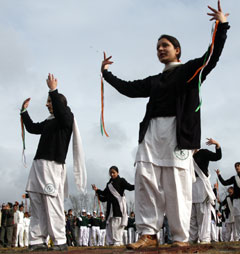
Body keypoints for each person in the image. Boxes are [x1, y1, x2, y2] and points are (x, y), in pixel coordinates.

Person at [101, 1, 230, 249]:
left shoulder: (190, 70)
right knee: (145, 179)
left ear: (177, 50)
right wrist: (106, 74)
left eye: (165, 45)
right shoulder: (155, 80)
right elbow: (129, 88)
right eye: (158, 46)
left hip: (177, 133)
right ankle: (148, 234)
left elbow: (211, 56)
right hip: (151, 133)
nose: (160, 49)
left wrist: (222, 26)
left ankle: (180, 237)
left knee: (177, 184)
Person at [21, 73, 83, 251]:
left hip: (52, 166)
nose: (47, 104)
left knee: (52, 203)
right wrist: (24, 112)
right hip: (38, 166)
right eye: (48, 101)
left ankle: (59, 240)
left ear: (58, 102)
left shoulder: (66, 119)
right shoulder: (50, 121)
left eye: (49, 101)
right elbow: (32, 128)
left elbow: (62, 111)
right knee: (37, 202)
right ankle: (37, 240)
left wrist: (53, 90)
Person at [92, 166, 134, 246]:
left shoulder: (121, 181)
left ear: (117, 173)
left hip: (118, 206)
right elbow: (104, 195)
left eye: (113, 172)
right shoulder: (108, 184)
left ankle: (117, 241)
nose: (112, 174)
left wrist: (138, 184)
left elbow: (130, 187)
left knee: (117, 223)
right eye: (110, 173)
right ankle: (111, 241)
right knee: (110, 225)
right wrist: (97, 190)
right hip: (110, 208)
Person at [190, 138, 222, 244]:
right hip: (190, 185)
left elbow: (217, 157)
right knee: (192, 215)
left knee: (203, 214)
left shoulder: (203, 153)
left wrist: (217, 144)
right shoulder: (186, 157)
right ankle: (192, 238)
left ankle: (205, 238)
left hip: (202, 185)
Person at [217, 163, 240, 241]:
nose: (237, 167)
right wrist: (219, 175)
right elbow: (224, 183)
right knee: (238, 219)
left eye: (238, 166)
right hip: (236, 201)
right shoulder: (234, 178)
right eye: (236, 166)